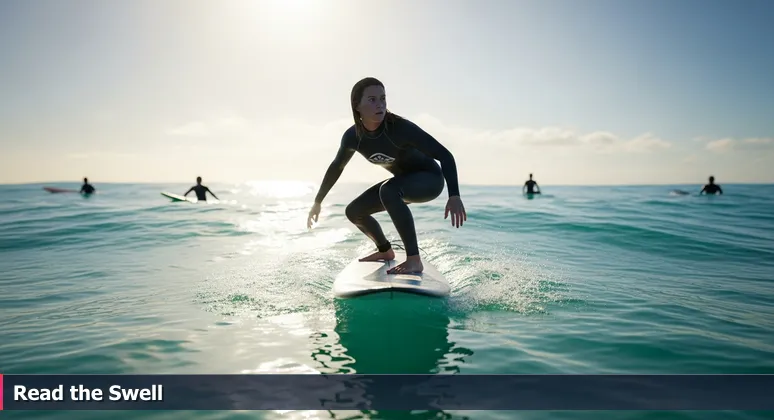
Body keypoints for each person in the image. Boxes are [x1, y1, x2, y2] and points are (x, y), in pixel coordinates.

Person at [306, 77, 467, 274]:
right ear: (357, 105)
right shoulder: (352, 137)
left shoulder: (400, 128)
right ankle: (385, 251)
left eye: (383, 98)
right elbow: (336, 167)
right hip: (400, 184)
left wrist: (454, 195)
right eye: (372, 99)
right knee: (354, 211)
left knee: (388, 190)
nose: (380, 104)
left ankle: (414, 260)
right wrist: (318, 201)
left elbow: (445, 155)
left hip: (429, 179)